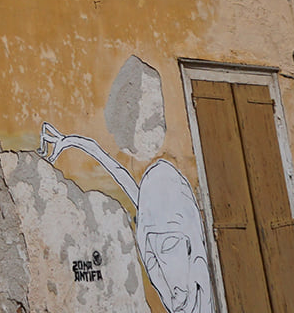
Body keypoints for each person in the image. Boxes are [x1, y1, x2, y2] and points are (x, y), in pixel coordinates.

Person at [40, 122, 214, 313]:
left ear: (190, 245)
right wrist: (71, 141)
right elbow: (117, 171)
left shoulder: (204, 291)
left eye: (169, 247)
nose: (163, 274)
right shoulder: (151, 219)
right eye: (153, 258)